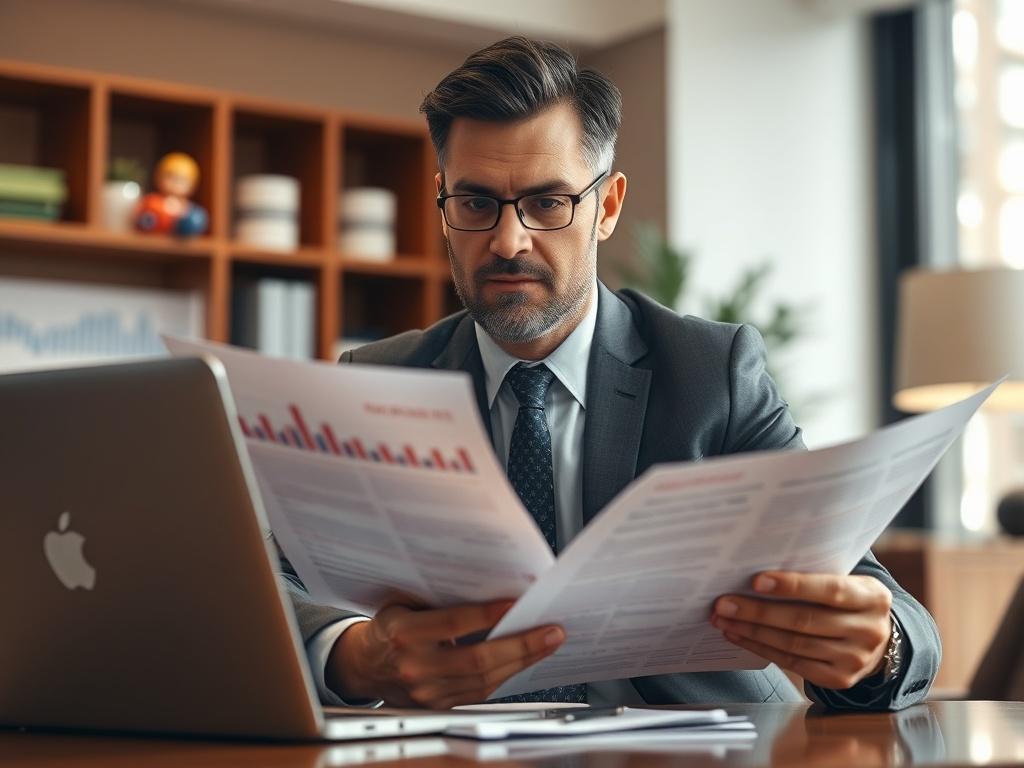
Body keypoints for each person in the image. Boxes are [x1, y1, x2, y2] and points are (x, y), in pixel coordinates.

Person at [279, 36, 940, 711]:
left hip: (699, 749)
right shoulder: (378, 382)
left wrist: (875, 645)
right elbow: (265, 579)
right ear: (442, 204)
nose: (508, 242)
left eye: (548, 203)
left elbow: (875, 599)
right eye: (476, 204)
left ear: (609, 206)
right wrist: (354, 657)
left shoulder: (713, 374)